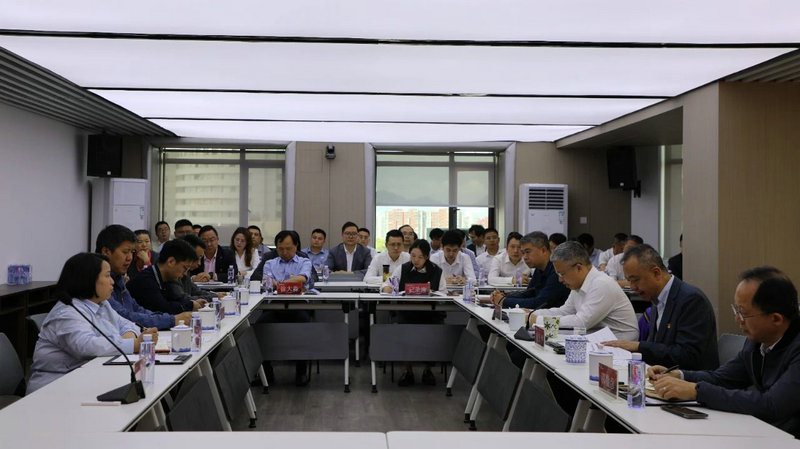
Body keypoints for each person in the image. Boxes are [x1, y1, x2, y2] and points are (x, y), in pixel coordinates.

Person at [649, 267, 800, 438]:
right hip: (763, 432)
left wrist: (697, 391)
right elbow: (722, 379)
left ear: (776, 319)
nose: (737, 319)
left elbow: (771, 405)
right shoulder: (757, 342)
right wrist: (680, 376)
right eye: (736, 311)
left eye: (743, 314)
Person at [27, 253, 158, 393]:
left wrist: (130, 339)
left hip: (86, 378)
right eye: (107, 276)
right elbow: (86, 346)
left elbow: (128, 324)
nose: (112, 282)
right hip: (54, 386)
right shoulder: (66, 313)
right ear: (88, 279)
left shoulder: (102, 303)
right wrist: (133, 344)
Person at [602, 244, 719, 370]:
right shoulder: (656, 298)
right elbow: (658, 348)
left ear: (656, 273)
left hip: (688, 379)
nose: (632, 287)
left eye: (635, 280)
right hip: (660, 375)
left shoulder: (691, 300)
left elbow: (687, 356)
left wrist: (638, 347)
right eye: (629, 281)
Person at [527, 241, 638, 340]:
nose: (560, 280)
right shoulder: (578, 284)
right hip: (596, 340)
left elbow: (581, 323)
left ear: (579, 268)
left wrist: (537, 320)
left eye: (562, 274)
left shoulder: (601, 284)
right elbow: (565, 311)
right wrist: (530, 313)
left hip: (620, 346)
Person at [97, 225, 192, 331]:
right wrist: (172, 320)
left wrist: (172, 319)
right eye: (125, 252)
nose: (129, 258)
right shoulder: (97, 281)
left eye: (132, 252)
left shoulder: (118, 278)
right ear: (106, 252)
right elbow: (124, 316)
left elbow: (136, 309)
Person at [381, 239, 447, 387]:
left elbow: (443, 293)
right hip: (407, 312)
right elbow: (387, 284)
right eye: (413, 256)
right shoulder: (402, 268)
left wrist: (432, 293)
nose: (416, 260)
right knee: (405, 331)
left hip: (430, 313)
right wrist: (387, 288)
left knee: (433, 333)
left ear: (427, 257)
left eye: (420, 257)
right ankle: (407, 370)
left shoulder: (437, 271)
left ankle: (428, 370)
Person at [258, 230, 314, 386]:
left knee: (304, 327)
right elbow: (268, 282)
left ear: (296, 246)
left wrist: (280, 284)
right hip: (274, 306)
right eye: (280, 249)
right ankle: (266, 373)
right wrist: (290, 284)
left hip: (298, 305)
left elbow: (302, 278)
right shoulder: (270, 263)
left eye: (288, 248)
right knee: (259, 328)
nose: (284, 252)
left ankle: (301, 372)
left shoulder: (304, 261)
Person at [491, 231, 570, 310]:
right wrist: (503, 297)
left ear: (543, 250)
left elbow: (539, 303)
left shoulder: (557, 270)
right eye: (523, 253)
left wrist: (504, 301)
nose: (525, 257)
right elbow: (528, 294)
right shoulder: (539, 268)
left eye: (528, 252)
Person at [127, 239, 207, 314]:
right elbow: (163, 308)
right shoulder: (146, 280)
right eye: (185, 268)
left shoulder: (165, 278)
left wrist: (192, 303)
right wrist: (190, 305)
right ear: (171, 262)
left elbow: (175, 301)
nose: (185, 274)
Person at [165, 234, 216, 302]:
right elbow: (183, 299)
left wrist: (216, 296)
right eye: (197, 258)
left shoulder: (186, 271)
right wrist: (213, 297)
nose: (199, 263)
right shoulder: (173, 272)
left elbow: (196, 291)